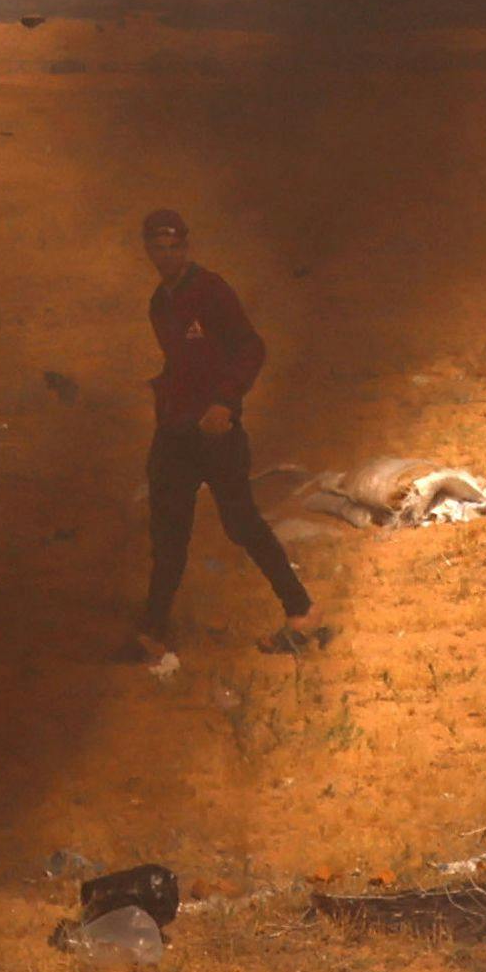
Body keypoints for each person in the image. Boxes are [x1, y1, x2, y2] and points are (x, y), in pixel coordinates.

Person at [133, 204, 321, 660]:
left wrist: (225, 401)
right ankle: (152, 633)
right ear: (148, 251)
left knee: (241, 523)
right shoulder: (160, 302)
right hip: (177, 433)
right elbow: (185, 362)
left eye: (174, 247)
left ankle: (302, 612)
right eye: (158, 248)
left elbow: (249, 346)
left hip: (217, 433)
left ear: (186, 246)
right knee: (169, 534)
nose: (166, 256)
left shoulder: (209, 290)